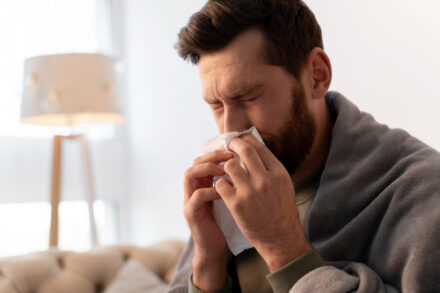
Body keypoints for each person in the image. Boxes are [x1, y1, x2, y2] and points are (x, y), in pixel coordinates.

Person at [167, 1, 440, 292]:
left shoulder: (423, 192)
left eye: (248, 97)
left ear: (317, 75)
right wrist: (208, 261)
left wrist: (283, 249)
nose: (229, 129)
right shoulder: (229, 190)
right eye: (216, 105)